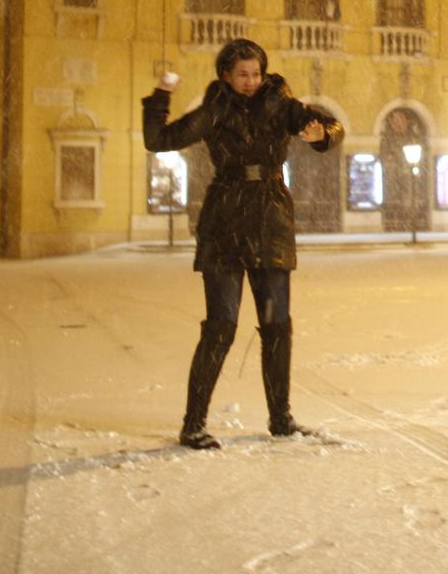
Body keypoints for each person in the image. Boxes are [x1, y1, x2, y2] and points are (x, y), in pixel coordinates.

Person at [141, 39, 344, 451]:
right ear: (226, 77)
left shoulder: (281, 104)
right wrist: (161, 96)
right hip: (225, 223)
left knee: (277, 326)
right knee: (221, 325)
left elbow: (329, 129)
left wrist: (323, 133)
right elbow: (158, 139)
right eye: (242, 75)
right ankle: (193, 423)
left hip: (270, 219)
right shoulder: (216, 110)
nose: (250, 82)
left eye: (255, 73)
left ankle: (281, 418)